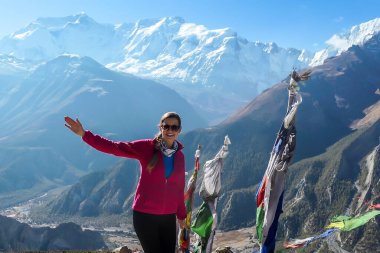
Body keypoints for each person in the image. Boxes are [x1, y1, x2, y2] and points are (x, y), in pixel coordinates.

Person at [64, 112, 187, 253]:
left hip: (168, 217)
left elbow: (178, 188)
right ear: (161, 128)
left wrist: (181, 215)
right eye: (166, 126)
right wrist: (85, 135)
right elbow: (114, 148)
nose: (170, 130)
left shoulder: (180, 156)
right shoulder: (146, 148)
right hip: (145, 215)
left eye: (174, 127)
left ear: (179, 130)